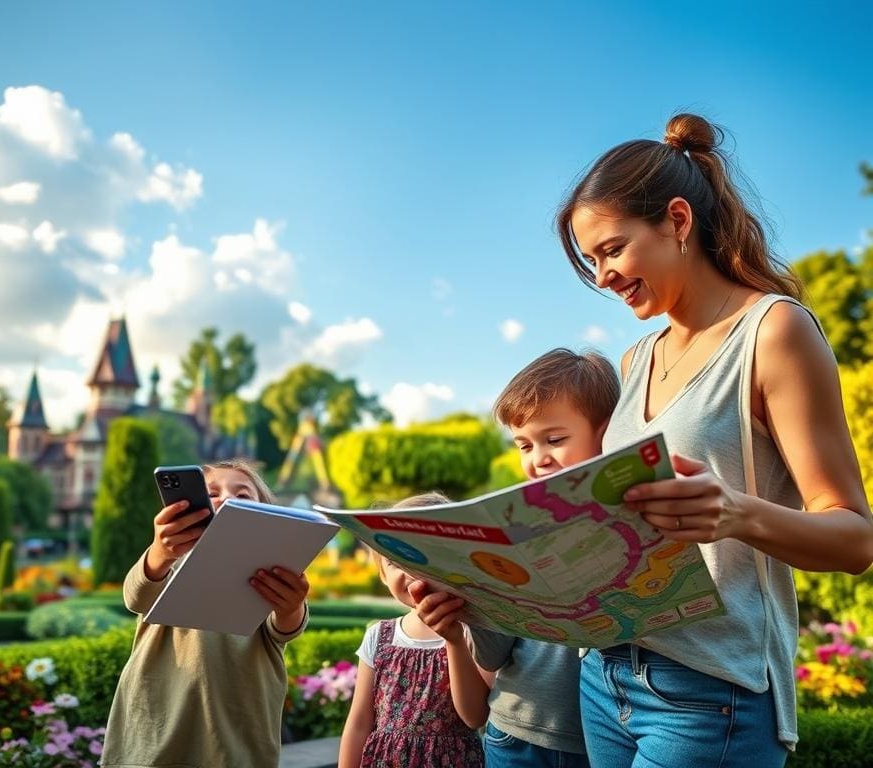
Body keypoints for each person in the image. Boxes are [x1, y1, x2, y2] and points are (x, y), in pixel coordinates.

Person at [556, 112, 873, 767]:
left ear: (677, 220)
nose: (603, 276)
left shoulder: (773, 332)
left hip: (711, 695)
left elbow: (855, 538)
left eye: (612, 249)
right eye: (591, 261)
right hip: (606, 677)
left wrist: (735, 511)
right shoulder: (636, 357)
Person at [413, 349, 617, 768]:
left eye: (555, 440)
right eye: (524, 445)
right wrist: (468, 602)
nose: (537, 459)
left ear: (607, 431)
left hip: (601, 740)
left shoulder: (631, 527)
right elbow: (493, 655)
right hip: (515, 733)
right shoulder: (517, 531)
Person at [101, 459, 310, 768]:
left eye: (243, 495)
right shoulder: (171, 560)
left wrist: (290, 605)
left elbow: (286, 629)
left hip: (237, 733)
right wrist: (160, 552)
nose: (226, 498)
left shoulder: (270, 573)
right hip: (156, 727)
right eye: (212, 493)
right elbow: (135, 596)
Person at [338, 492, 487, 768]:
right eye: (395, 561)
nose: (410, 572)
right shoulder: (379, 636)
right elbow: (358, 724)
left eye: (424, 558)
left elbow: (475, 716)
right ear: (382, 573)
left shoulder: (473, 632)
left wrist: (454, 641)